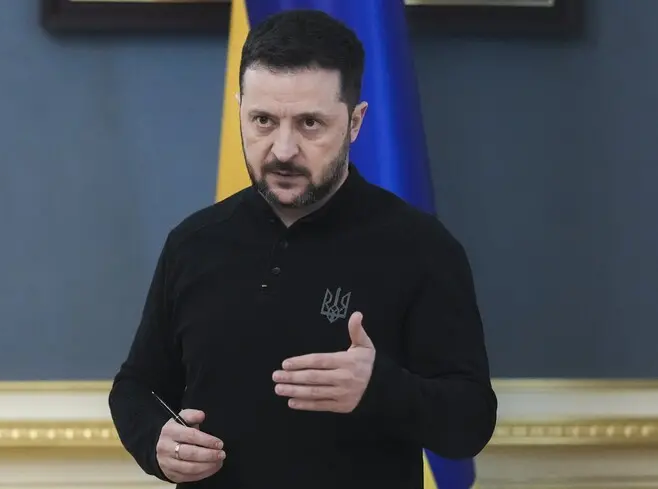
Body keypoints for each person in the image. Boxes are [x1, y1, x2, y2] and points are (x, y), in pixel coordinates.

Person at [108, 8, 497, 489]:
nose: (283, 149)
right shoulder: (192, 242)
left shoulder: (422, 248)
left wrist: (380, 388)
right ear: (239, 111)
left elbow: (471, 421)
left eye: (310, 123)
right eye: (263, 121)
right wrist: (156, 441)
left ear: (355, 122)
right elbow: (136, 387)